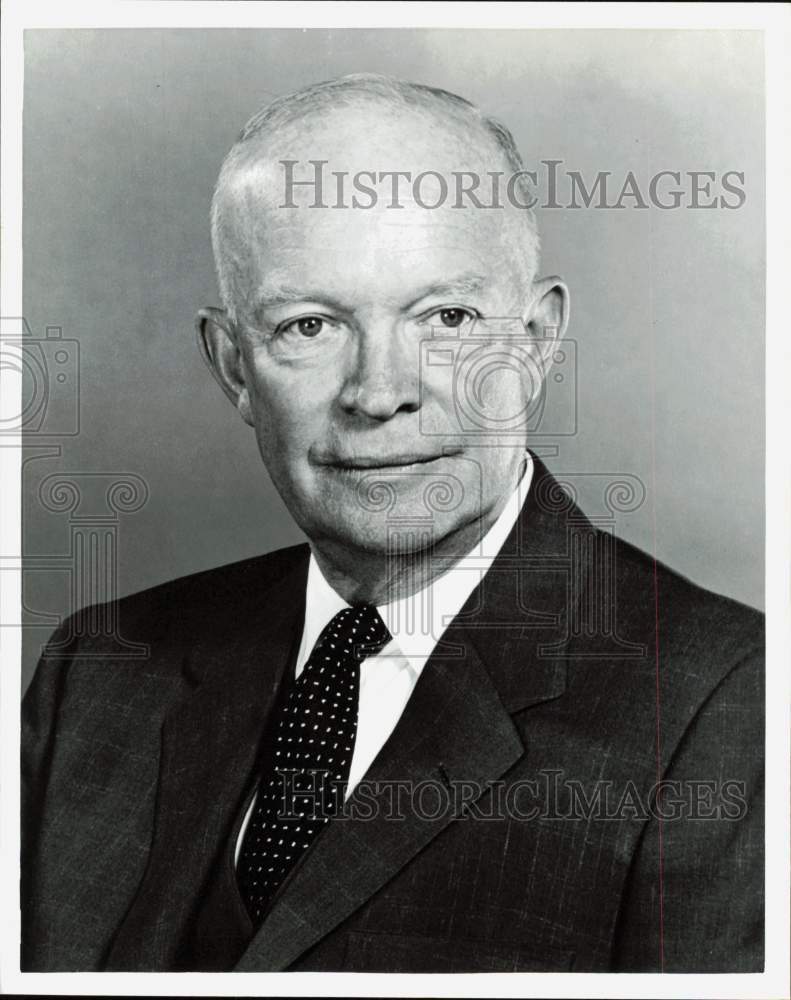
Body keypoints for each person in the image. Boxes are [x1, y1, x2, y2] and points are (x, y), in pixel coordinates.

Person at [21, 74, 763, 973]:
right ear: (232, 368)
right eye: (309, 326)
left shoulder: (730, 709)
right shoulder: (97, 668)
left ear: (533, 342)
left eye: (444, 317)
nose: (379, 394)